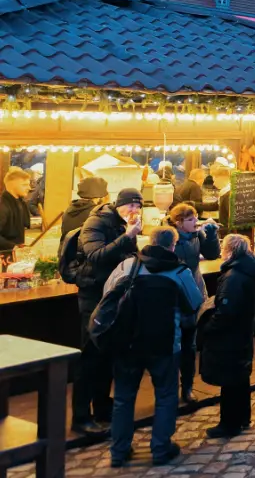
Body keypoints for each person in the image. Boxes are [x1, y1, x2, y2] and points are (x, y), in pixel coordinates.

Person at [104, 225, 203, 467]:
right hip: (166, 343)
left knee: (123, 398)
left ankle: (119, 450)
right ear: (173, 245)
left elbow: (108, 294)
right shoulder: (179, 272)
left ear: (148, 240)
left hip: (128, 342)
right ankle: (160, 448)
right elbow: (194, 302)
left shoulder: (129, 266)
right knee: (166, 395)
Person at [73, 187, 145, 435]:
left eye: (138, 206)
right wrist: (127, 236)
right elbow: (96, 256)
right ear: (118, 205)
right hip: (93, 294)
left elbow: (124, 255)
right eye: (130, 206)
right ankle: (81, 417)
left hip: (113, 293)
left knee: (109, 351)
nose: (134, 210)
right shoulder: (96, 222)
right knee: (90, 354)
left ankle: (102, 406)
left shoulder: (127, 225)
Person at [198, 234, 255, 439]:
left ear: (229, 250)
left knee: (230, 380)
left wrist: (208, 327)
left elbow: (226, 311)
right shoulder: (248, 268)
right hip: (242, 330)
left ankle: (229, 423)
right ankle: (242, 417)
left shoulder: (234, 276)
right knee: (240, 377)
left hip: (230, 334)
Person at [166, 203, 220, 404]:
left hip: (195, 291)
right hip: (174, 294)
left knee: (190, 343)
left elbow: (213, 254)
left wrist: (212, 234)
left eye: (196, 218)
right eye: (190, 219)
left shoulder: (197, 235)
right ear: (179, 222)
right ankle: (169, 388)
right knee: (173, 345)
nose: (195, 222)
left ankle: (187, 387)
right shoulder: (170, 238)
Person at [0, 166, 33, 256]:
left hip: (16, 253)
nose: (29, 188)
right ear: (14, 185)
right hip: (4, 256)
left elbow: (25, 224)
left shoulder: (20, 202)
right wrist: (13, 246)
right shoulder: (3, 206)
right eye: (24, 185)